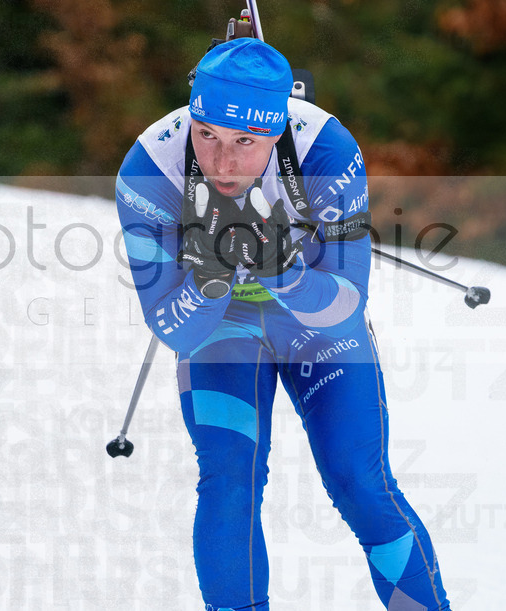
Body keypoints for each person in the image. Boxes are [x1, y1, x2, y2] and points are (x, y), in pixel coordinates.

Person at [115, 30, 450, 610]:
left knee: (359, 481)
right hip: (222, 330)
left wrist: (282, 273)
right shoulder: (149, 169)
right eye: (207, 135)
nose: (221, 161)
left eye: (245, 141)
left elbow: (347, 303)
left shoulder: (325, 150)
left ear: (276, 129)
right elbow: (171, 326)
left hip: (315, 322)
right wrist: (211, 282)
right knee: (229, 483)